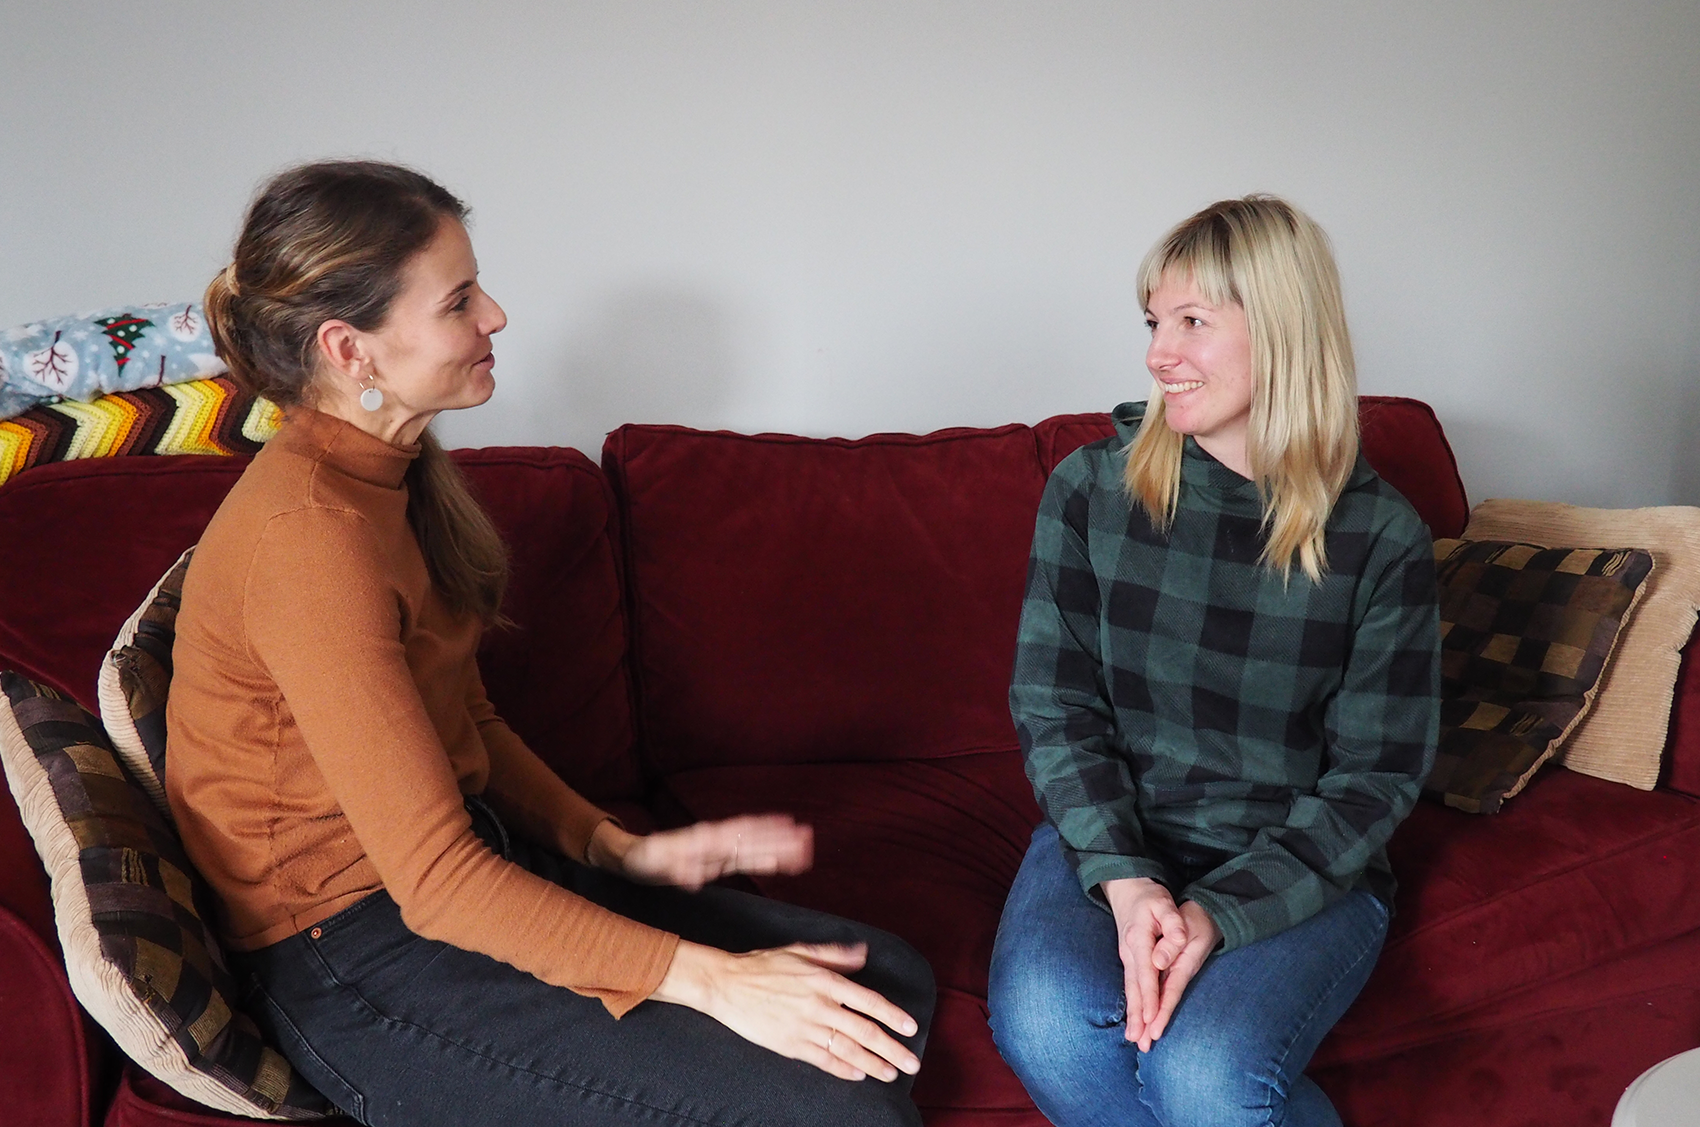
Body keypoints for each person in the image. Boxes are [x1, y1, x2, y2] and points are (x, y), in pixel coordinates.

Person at [167, 160, 933, 1127]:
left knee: (887, 984)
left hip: (461, 883)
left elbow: (467, 719)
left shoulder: (396, 477)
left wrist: (614, 850)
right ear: (349, 349)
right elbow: (440, 886)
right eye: (458, 300)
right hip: (351, 958)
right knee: (843, 1104)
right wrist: (716, 983)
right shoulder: (309, 539)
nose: (495, 314)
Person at [987, 195, 1440, 1127]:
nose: (1159, 353)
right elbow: (1055, 703)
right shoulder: (1090, 491)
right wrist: (1128, 877)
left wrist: (1220, 913)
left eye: (1193, 321)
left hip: (1297, 861)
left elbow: (1375, 778)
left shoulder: (1380, 535)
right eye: (1155, 322)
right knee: (1050, 1021)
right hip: (1115, 837)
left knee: (1207, 1077)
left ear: (1282, 331)